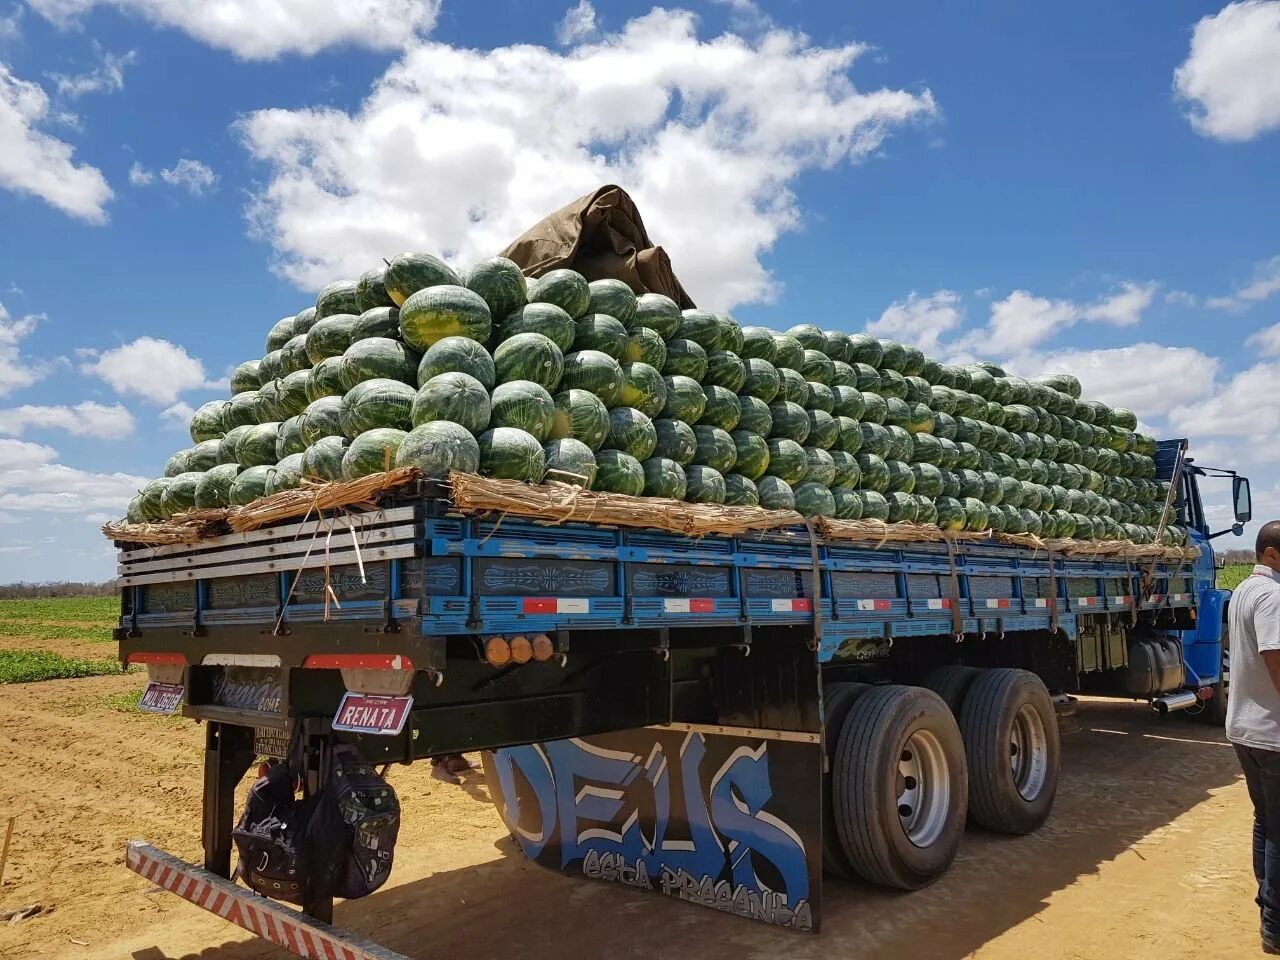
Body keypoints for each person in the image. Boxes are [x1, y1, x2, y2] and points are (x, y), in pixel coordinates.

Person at [1228, 520, 1280, 954]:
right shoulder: (1272, 596)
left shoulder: (1243, 590)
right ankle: (1275, 928)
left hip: (1244, 729)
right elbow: (1274, 659)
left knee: (1266, 820)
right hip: (1272, 732)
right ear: (1271, 554)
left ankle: (1266, 901)